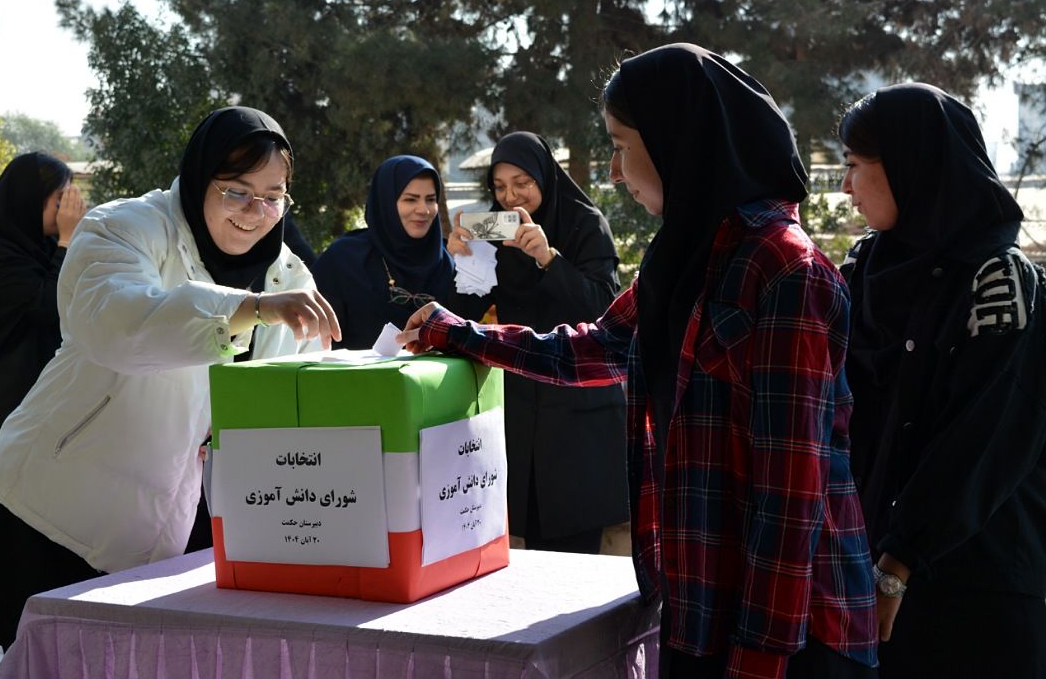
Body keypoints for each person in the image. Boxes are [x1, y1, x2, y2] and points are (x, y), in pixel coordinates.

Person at [398, 44, 878, 678]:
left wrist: (762, 655)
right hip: (701, 606)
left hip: (788, 635)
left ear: (677, 140)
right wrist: (459, 334)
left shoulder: (783, 268)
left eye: (623, 145)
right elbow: (594, 348)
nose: (617, 171)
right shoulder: (684, 255)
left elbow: (791, 489)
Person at [0, 107, 340, 649]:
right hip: (64, 510)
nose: (256, 212)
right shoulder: (122, 228)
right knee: (51, 659)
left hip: (190, 517)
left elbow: (288, 385)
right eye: (237, 191)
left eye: (274, 196)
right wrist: (248, 307)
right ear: (202, 178)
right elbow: (117, 326)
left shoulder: (284, 270)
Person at [837, 83, 1046, 678]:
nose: (845, 186)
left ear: (912, 165)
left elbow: (986, 438)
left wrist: (900, 561)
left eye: (854, 166)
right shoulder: (864, 268)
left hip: (975, 585)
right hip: (871, 575)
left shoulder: (997, 280)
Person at [446, 132, 627, 554]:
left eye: (522, 183)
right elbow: (465, 315)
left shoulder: (585, 223)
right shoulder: (493, 230)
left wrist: (549, 259)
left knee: (576, 545)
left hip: (578, 409)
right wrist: (462, 262)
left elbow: (605, 309)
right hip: (522, 410)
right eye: (500, 187)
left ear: (544, 177)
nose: (511, 197)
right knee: (524, 542)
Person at [0, 152, 87, 491]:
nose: (67, 211)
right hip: (11, 398)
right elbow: (47, 306)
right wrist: (66, 241)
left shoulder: (41, 245)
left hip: (50, 398)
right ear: (30, 199)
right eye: (60, 200)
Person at [312, 155, 453, 349]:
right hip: (353, 378)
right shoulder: (344, 260)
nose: (423, 210)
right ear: (385, 202)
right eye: (410, 200)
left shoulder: (449, 262)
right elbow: (316, 343)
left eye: (430, 199)